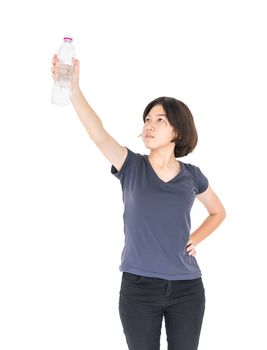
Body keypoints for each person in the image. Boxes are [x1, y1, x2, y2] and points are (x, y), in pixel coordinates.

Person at [51, 55, 226, 350]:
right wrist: (74, 88)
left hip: (187, 288)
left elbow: (218, 212)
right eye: (147, 119)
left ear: (178, 131)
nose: (149, 125)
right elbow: (98, 134)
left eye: (160, 120)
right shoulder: (131, 166)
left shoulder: (192, 176)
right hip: (138, 289)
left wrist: (195, 238)